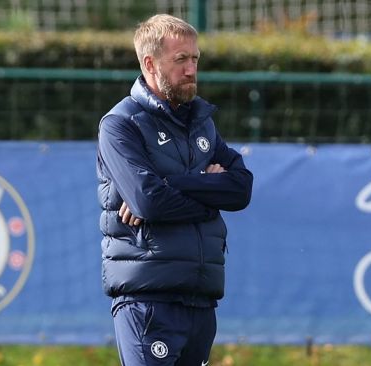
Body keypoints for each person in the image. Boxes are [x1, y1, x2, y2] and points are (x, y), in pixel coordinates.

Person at [96, 14, 253, 365]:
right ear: (150, 64)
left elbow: (241, 190)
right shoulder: (120, 124)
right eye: (180, 59)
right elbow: (148, 201)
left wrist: (174, 183)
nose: (191, 69)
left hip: (200, 298)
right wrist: (210, 191)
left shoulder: (202, 122)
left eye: (195, 59)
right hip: (149, 299)